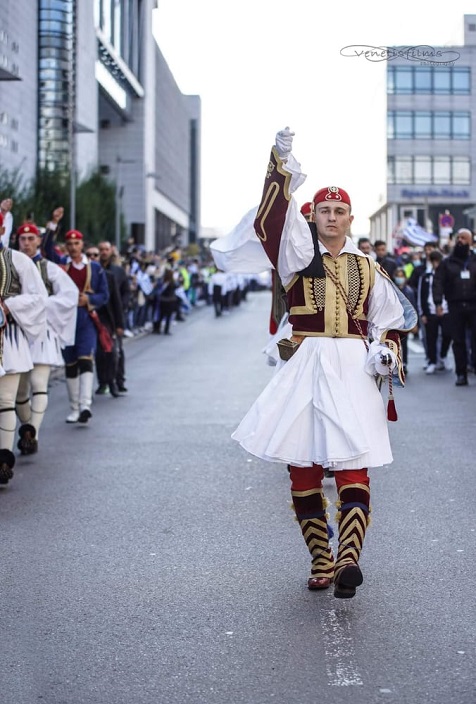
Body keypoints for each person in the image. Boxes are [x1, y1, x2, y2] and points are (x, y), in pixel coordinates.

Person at [229, 127, 416, 599]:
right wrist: (281, 162)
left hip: (353, 369)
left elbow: (390, 321)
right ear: (315, 217)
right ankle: (321, 557)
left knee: (355, 465)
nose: (331, 217)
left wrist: (386, 350)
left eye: (339, 211)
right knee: (304, 467)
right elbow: (273, 222)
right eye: (325, 210)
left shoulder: (369, 267)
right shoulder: (298, 255)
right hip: (308, 362)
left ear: (351, 219)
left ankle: (348, 559)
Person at [15, 223, 78, 454]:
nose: (28, 243)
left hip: (42, 332)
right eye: (23, 239)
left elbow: (69, 296)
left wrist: (41, 305)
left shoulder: (49, 268)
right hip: (19, 335)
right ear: (17, 240)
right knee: (20, 392)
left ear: (39, 241)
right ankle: (27, 430)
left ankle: (33, 431)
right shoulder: (10, 264)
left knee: (39, 385)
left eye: (32, 238)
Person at [42, 214, 109, 422]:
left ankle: (85, 405)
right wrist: (53, 224)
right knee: (70, 363)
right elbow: (46, 248)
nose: (73, 247)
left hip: (86, 318)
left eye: (76, 243)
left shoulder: (95, 268)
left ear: (82, 244)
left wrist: (87, 299)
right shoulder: (61, 263)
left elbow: (104, 295)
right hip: (64, 319)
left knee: (85, 358)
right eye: (69, 243)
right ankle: (74, 408)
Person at [0, 233, 47, 484]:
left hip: (8, 339)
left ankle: (3, 461)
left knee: (5, 399)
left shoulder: (17, 260)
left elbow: (39, 297)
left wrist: (10, 305)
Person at [432, 228, 476, 386]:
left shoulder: (474, 260)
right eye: (458, 238)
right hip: (455, 306)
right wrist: (438, 303)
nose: (460, 241)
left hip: (473, 305)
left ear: (470, 241)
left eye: (464, 238)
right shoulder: (447, 263)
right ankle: (461, 374)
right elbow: (438, 283)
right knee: (458, 341)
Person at [97, 240, 129, 393]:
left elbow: (124, 293)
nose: (103, 252)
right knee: (100, 352)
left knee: (116, 351)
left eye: (106, 249)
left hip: (113, 316)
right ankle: (103, 381)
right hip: (98, 315)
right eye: (101, 250)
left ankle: (118, 380)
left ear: (111, 251)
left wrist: (121, 313)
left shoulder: (118, 272)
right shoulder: (94, 270)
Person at [418, 250, 452, 374]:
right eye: (434, 261)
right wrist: (422, 313)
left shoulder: (447, 276)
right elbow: (421, 295)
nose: (436, 264)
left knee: (448, 334)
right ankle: (432, 361)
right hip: (430, 311)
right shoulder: (425, 276)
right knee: (431, 338)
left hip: (446, 309)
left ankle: (443, 355)